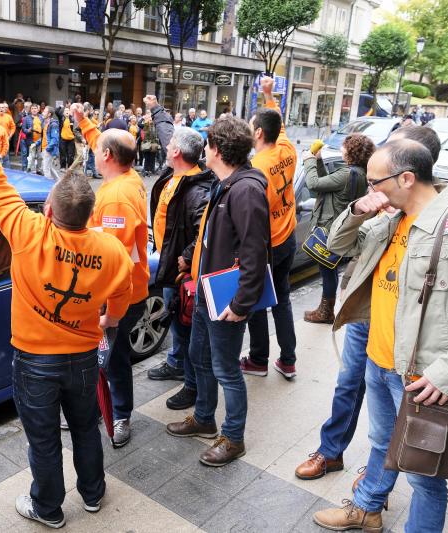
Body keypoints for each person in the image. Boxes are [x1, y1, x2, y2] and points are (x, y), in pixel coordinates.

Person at [0, 97, 133, 528]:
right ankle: (93, 494)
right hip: (83, 358)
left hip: (35, 362)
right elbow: (122, 297)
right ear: (90, 215)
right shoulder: (111, 250)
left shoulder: (27, 230)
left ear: (48, 211)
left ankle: (49, 509)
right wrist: (108, 320)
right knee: (86, 427)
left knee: (44, 438)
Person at [312, 139, 448, 532]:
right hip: (379, 360)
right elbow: (335, 247)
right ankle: (367, 508)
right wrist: (355, 211)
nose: (370, 189)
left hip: (423, 378)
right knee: (382, 443)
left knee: (423, 477)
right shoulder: (389, 217)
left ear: (407, 178)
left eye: (374, 182)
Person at [294, 125, 442, 482]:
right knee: (349, 383)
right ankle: (332, 451)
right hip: (365, 309)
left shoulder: (441, 216)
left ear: (411, 170)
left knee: (395, 402)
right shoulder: (382, 200)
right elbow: (339, 245)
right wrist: (360, 210)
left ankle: (379, 475)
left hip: (404, 324)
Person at [166, 116, 270, 467]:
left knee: (226, 369)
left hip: (226, 299)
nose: (204, 150)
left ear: (218, 151)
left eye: (208, 145)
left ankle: (233, 437)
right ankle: (204, 417)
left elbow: (255, 252)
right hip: (206, 290)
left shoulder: (245, 190)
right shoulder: (225, 184)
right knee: (200, 357)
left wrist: (241, 304)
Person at [73, 102, 149, 447]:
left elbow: (112, 261)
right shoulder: (126, 175)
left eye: (98, 148)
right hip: (124, 294)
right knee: (105, 357)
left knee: (111, 359)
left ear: (107, 156)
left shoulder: (117, 198)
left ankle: (119, 415)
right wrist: (84, 122)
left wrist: (105, 308)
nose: (94, 151)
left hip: (118, 298)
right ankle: (100, 408)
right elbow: (103, 143)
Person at [146, 127, 213, 414]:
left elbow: (204, 231)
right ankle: (177, 366)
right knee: (177, 326)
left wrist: (186, 257)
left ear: (177, 152)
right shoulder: (173, 174)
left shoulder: (197, 190)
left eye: (171, 143)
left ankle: (191, 385)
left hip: (181, 272)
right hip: (169, 264)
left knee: (186, 332)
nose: (166, 145)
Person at [242, 76, 299, 379]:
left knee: (256, 302)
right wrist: (268, 94)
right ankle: (288, 360)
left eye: (252, 126)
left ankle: (258, 359)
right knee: (282, 300)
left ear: (259, 133)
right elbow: (278, 120)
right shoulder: (287, 149)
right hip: (288, 236)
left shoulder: (256, 169)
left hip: (269, 245)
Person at [302, 134, 374, 323]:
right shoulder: (359, 173)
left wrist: (309, 160)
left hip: (330, 227)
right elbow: (325, 184)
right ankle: (325, 309)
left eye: (344, 146)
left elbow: (313, 184)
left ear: (351, 151)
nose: (341, 149)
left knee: (327, 269)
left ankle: (326, 311)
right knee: (330, 267)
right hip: (340, 227)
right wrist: (319, 161)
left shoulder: (347, 174)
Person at [41, 106, 60, 180]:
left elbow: (55, 139)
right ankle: (59, 182)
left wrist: (47, 148)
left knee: (45, 169)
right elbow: (44, 136)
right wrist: (37, 143)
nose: (42, 113)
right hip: (44, 148)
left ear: (49, 114)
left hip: (48, 149)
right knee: (50, 168)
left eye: (44, 111)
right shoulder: (45, 123)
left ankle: (48, 185)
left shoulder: (53, 124)